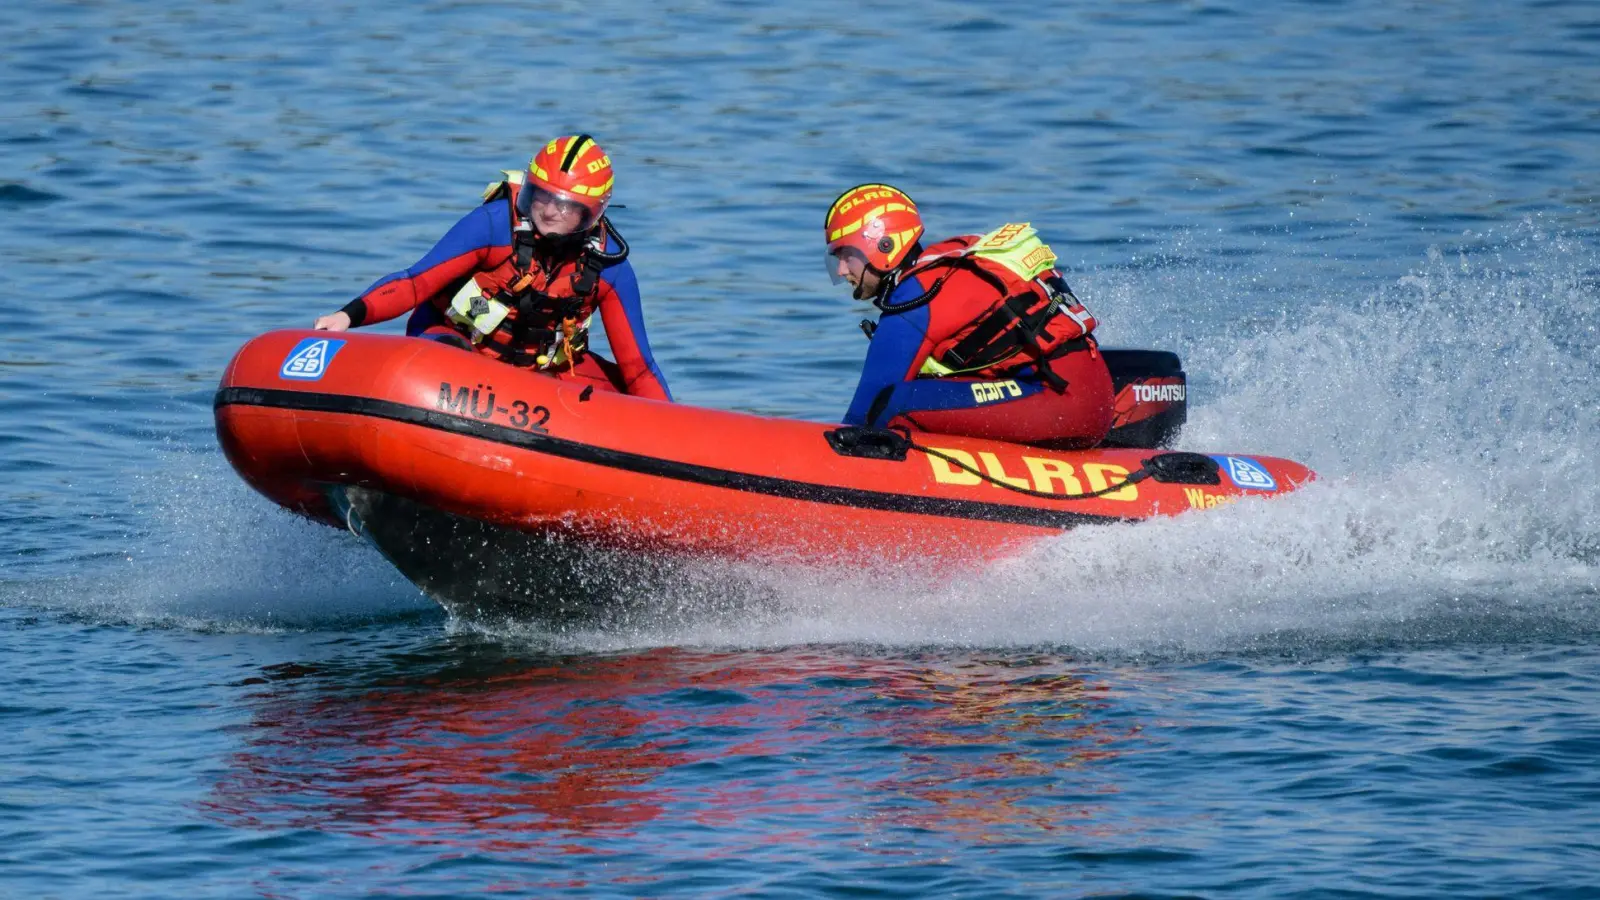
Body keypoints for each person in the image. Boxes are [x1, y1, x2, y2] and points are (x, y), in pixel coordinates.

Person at [313, 135, 672, 400]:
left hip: (537, 374)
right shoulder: (494, 224)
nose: (547, 211)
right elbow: (414, 283)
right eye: (541, 196)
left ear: (590, 214)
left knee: (625, 392)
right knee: (450, 361)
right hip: (452, 344)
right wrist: (347, 317)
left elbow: (639, 367)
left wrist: (676, 434)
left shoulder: (610, 268)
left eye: (563, 206)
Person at [823, 183, 1114, 449]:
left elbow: (863, 413)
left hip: (1063, 404)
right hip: (1084, 396)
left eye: (847, 255)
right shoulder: (948, 262)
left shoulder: (914, 297)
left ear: (883, 246)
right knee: (922, 393)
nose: (841, 271)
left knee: (891, 403)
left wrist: (824, 458)